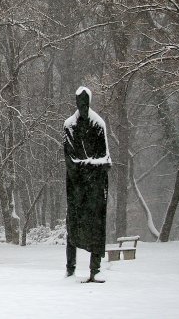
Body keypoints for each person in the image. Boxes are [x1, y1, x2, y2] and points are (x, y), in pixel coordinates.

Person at [64, 86, 111, 283]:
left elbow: (105, 160)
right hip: (77, 186)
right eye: (79, 103)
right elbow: (70, 160)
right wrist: (88, 167)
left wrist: (89, 168)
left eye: (85, 103)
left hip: (94, 188)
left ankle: (95, 269)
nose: (82, 106)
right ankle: (70, 268)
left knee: (96, 227)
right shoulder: (70, 126)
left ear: (88, 103)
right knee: (73, 226)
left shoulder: (98, 125)